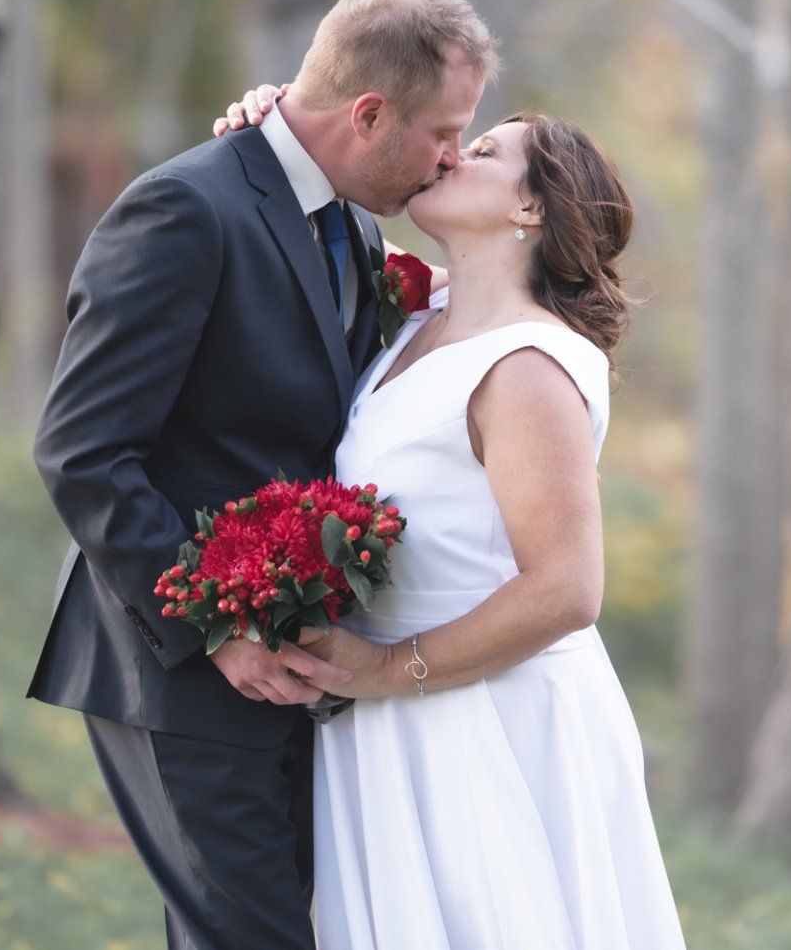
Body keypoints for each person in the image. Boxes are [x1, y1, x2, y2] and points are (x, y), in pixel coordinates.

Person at [28, 0, 494, 950]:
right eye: (445, 133)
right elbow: (84, 450)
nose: (452, 158)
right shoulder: (184, 211)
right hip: (180, 667)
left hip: (296, 667)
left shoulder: (355, 221)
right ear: (369, 114)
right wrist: (218, 628)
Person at [219, 87, 687, 948]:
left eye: (486, 152)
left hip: (488, 721)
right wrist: (276, 131)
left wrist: (392, 667)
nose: (452, 153)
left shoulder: (528, 366)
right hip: (389, 720)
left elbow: (568, 589)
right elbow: (309, 224)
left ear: (529, 207)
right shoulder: (423, 318)